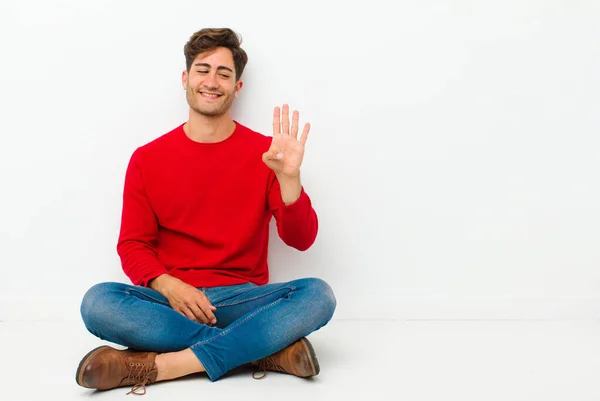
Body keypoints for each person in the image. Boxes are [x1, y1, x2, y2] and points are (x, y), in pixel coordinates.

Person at [75, 28, 336, 395]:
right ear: (186, 79)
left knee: (319, 295)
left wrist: (289, 178)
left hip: (241, 299)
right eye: (202, 69)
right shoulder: (147, 159)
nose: (211, 81)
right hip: (171, 303)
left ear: (237, 87)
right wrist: (170, 285)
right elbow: (133, 245)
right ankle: (261, 351)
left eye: (224, 73)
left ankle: (163, 366)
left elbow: (302, 239)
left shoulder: (267, 155)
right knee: (97, 302)